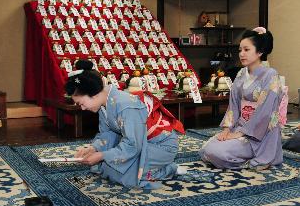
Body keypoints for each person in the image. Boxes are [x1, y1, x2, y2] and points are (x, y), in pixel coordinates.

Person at [67, 60, 185, 190]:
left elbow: (132, 144)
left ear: (94, 94)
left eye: (81, 103)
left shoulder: (126, 105)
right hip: (140, 143)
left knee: (127, 177)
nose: (82, 108)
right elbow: (108, 134)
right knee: (107, 167)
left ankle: (168, 168)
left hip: (160, 146)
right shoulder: (103, 103)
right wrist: (94, 148)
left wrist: (102, 155)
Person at [199, 27, 286, 169]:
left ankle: (257, 158)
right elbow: (233, 105)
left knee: (217, 152)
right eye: (240, 50)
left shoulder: (271, 75)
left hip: (260, 134)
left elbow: (265, 113)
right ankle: (236, 152)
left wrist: (240, 133)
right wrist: (228, 130)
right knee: (206, 149)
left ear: (260, 52)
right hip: (240, 127)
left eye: (246, 50)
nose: (241, 54)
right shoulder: (241, 74)